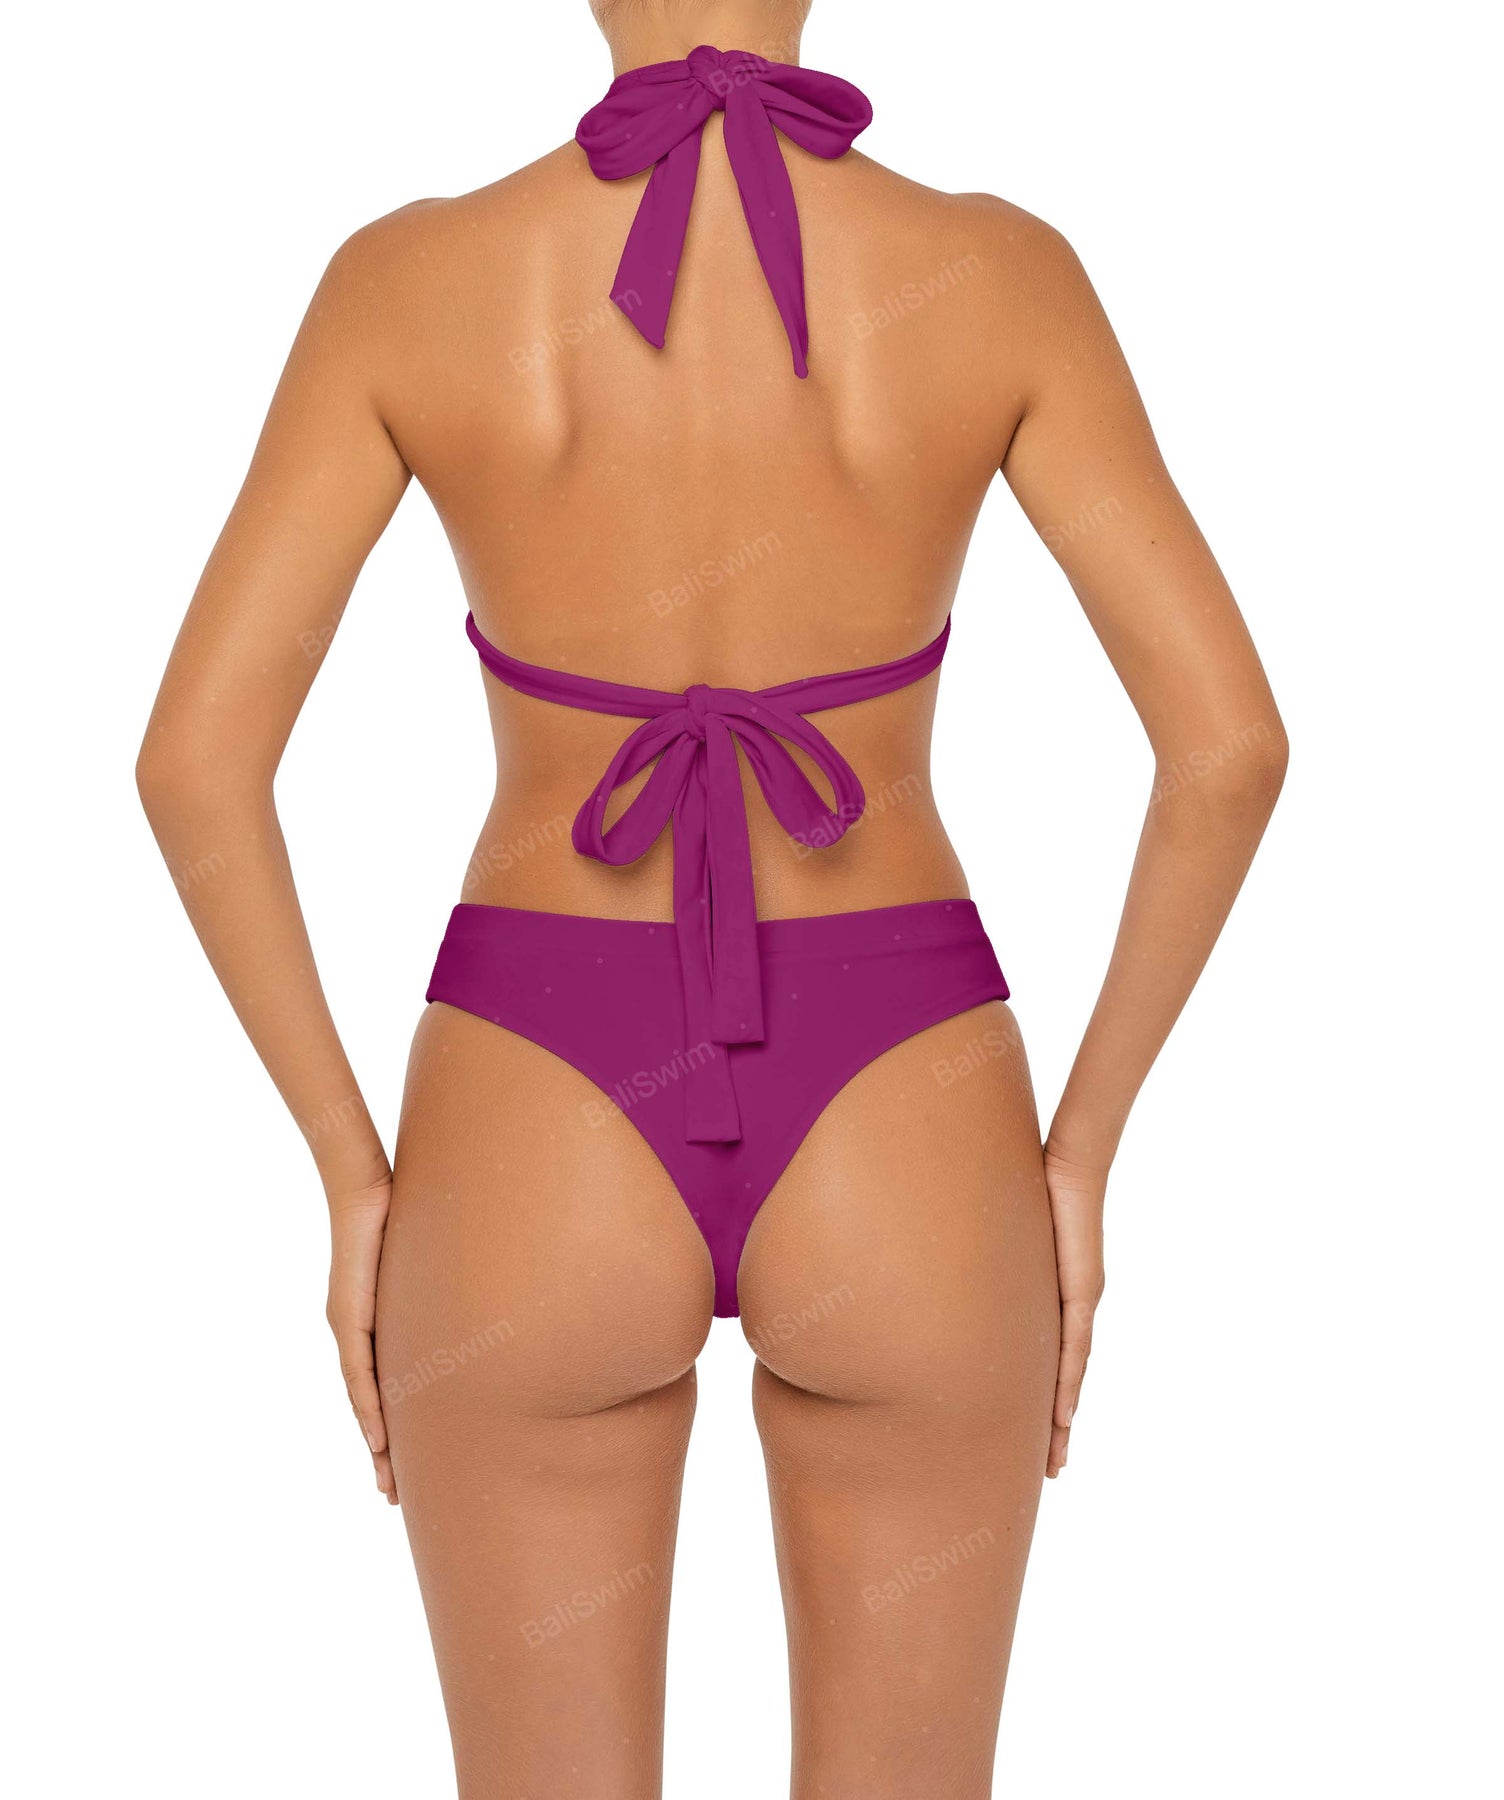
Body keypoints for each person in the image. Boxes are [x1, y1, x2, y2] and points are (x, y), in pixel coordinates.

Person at [136, 1, 1287, 1793]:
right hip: (908, 1099)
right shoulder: (997, 273)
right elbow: (1227, 750)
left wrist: (351, 1177)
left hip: (533, 1094)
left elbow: (195, 766)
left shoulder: (411, 281)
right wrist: (1080, 1155)